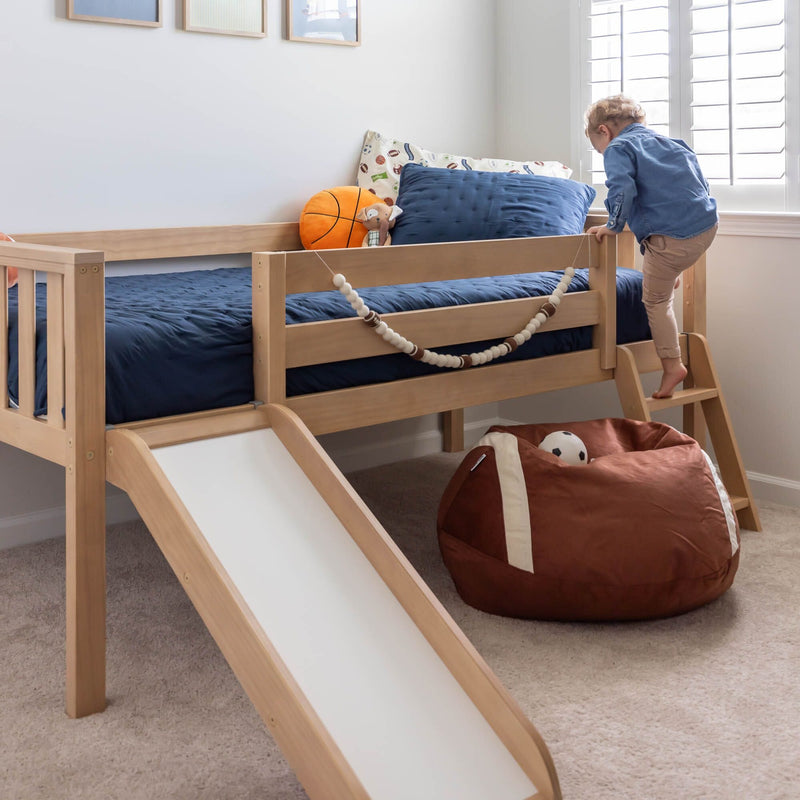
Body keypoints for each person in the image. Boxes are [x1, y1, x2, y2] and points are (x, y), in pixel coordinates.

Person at [584, 94, 718, 399]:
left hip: (673, 239)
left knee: (656, 301)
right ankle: (671, 271)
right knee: (664, 258)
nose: (601, 151)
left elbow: (622, 189)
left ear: (604, 131)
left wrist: (613, 226)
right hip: (705, 227)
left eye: (597, 147)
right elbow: (696, 185)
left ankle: (672, 365)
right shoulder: (672, 143)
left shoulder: (618, 147)